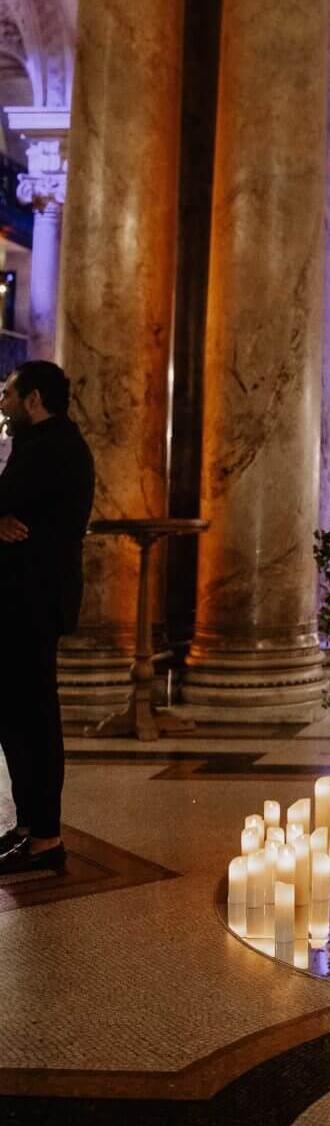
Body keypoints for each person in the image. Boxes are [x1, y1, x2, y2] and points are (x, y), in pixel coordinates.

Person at [0, 361, 95, 876]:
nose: (3, 404)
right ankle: (28, 826)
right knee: (15, 716)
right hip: (23, 600)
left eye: (8, 394)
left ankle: (45, 839)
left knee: (33, 718)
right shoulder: (40, 443)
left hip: (32, 602)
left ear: (33, 398)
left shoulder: (53, 448)